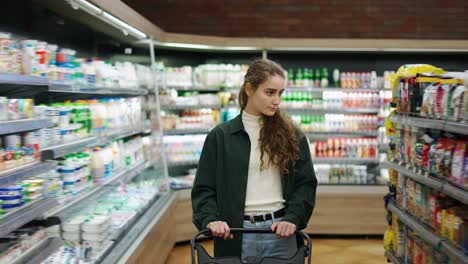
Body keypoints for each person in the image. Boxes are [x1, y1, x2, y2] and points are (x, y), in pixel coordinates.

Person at [191, 58, 317, 260]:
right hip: (235, 232)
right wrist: (210, 219)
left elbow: (306, 184)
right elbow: (204, 188)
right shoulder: (221, 136)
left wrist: (293, 218)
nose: (277, 100)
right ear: (250, 89)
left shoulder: (293, 135)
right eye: (269, 92)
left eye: (280, 93)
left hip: (280, 232)